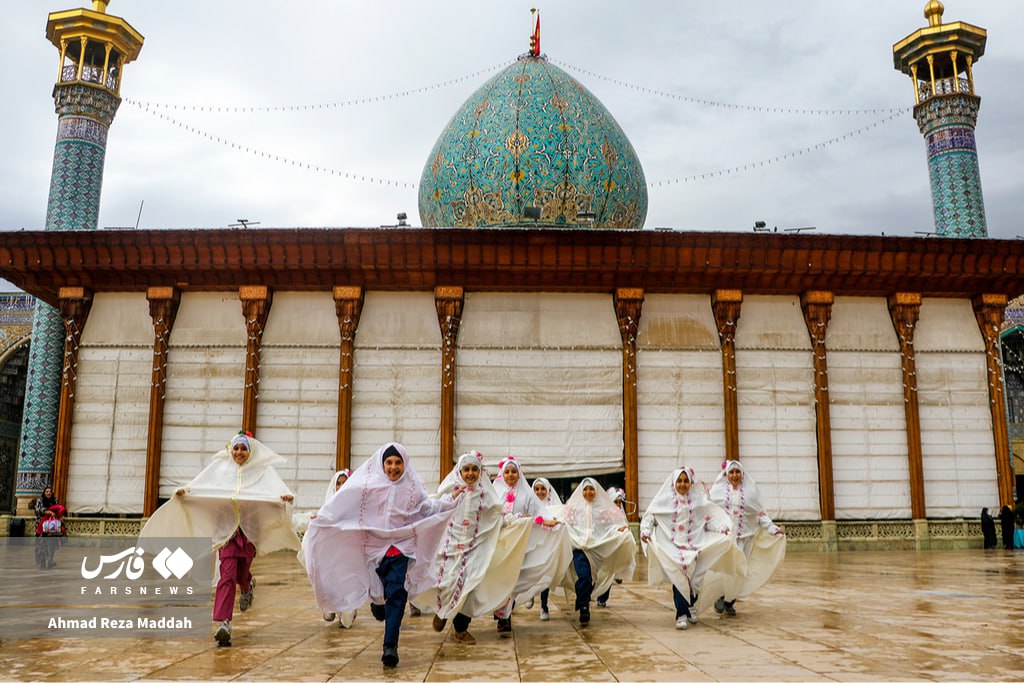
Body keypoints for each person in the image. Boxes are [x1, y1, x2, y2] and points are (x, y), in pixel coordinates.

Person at [304, 442, 461, 669]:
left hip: (401, 545)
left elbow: (427, 508)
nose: (393, 467)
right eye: (389, 462)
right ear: (382, 464)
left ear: (404, 464)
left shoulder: (413, 486)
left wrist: (449, 500)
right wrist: (323, 517)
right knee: (379, 593)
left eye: (398, 462)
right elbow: (343, 505)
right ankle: (378, 604)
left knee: (397, 591)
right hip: (373, 548)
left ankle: (390, 647)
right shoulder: (367, 486)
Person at [139, 431, 300, 647]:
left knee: (241, 572)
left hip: (250, 531)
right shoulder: (221, 470)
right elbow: (202, 485)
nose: (239, 452)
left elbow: (275, 490)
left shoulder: (261, 471)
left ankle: (248, 585)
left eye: (243, 449)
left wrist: (284, 497)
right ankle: (225, 622)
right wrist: (186, 492)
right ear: (230, 450)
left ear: (250, 451)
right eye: (236, 448)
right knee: (227, 574)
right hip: (226, 532)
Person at [419, 452, 533, 644]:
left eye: (474, 469)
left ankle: (461, 629)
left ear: (480, 472)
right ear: (459, 471)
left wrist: (521, 521)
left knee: (470, 587)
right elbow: (434, 508)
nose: (470, 473)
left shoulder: (486, 494)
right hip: (450, 547)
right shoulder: (450, 490)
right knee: (447, 582)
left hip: (475, 549)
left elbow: (498, 517)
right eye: (467, 469)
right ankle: (442, 612)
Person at [641, 466, 744, 630]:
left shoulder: (698, 502)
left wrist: (721, 529)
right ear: (674, 483)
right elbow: (650, 517)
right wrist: (646, 531)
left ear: (690, 483)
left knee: (695, 581)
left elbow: (709, 519)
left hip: (694, 545)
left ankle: (690, 606)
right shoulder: (664, 500)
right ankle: (681, 614)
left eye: (685, 481)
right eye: (679, 481)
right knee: (679, 577)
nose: (682, 484)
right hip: (671, 546)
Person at [491, 457, 569, 635]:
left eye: (514, 471)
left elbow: (539, 511)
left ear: (519, 474)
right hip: (500, 542)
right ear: (502, 474)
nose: (511, 475)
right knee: (500, 577)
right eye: (507, 472)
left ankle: (504, 618)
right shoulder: (495, 493)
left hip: (520, 543)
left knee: (513, 578)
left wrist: (550, 521)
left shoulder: (526, 494)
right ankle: (501, 612)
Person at [707, 460, 786, 617]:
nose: (734, 475)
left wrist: (773, 529)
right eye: (731, 472)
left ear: (742, 474)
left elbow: (759, 514)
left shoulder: (750, 494)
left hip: (744, 539)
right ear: (726, 475)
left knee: (740, 572)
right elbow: (709, 512)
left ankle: (730, 601)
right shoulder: (718, 492)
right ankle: (721, 598)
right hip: (726, 539)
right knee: (726, 570)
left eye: (737, 472)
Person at [560, 478, 636, 626]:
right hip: (579, 547)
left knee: (590, 579)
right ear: (581, 492)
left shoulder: (602, 509)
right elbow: (566, 524)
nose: (588, 492)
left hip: (597, 548)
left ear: (596, 491)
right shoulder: (574, 508)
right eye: (586, 489)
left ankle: (583, 599)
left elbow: (610, 526)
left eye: (591, 489)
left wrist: (618, 529)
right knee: (584, 577)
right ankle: (584, 607)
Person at [530, 477, 564, 620]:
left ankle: (543, 605)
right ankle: (530, 594)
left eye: (543, 489)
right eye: (536, 489)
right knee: (531, 572)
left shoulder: (556, 506)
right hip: (532, 545)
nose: (539, 492)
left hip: (548, 546)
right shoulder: (530, 505)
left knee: (545, 575)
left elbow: (562, 521)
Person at [595, 487, 632, 608]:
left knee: (609, 574)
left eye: (619, 502)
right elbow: (601, 530)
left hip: (615, 549)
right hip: (604, 547)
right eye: (615, 502)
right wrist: (616, 530)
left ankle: (602, 597)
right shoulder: (603, 514)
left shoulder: (620, 513)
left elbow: (624, 526)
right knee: (600, 574)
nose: (618, 505)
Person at [34, 503, 67, 569]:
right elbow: (37, 510)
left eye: (50, 492)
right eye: (47, 491)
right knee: (42, 546)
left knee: (52, 545)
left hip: (52, 528)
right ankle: (42, 562)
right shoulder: (41, 501)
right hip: (42, 527)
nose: (48, 493)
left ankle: (50, 561)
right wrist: (48, 512)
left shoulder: (54, 501)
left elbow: (60, 511)